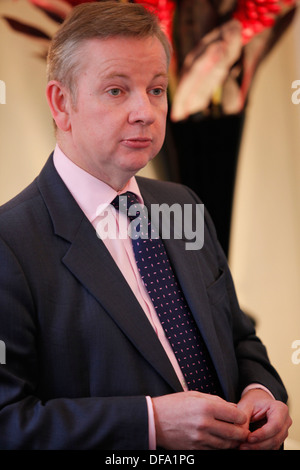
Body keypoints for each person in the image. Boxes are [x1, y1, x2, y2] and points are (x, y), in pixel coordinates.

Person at [0, 2, 292, 450]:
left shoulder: (184, 204)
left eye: (156, 89)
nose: (146, 112)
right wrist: (150, 424)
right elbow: (9, 423)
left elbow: (240, 338)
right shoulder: (10, 243)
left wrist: (262, 393)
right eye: (117, 91)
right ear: (62, 103)